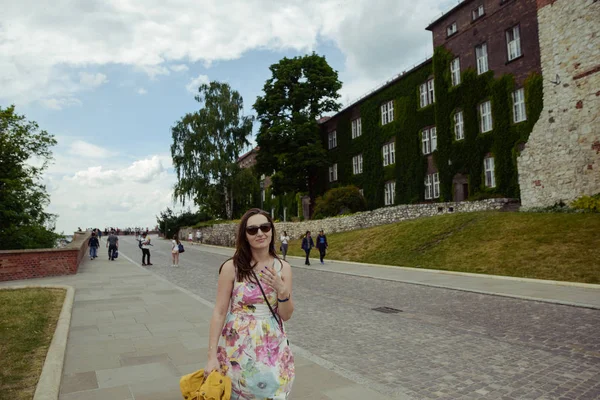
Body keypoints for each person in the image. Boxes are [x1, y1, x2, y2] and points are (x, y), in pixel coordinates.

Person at [204, 208, 294, 399]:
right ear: (245, 236)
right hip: (238, 345)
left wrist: (282, 289)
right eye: (252, 230)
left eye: (265, 227)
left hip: (273, 345)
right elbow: (219, 312)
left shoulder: (283, 268)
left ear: (271, 230)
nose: (260, 233)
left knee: (274, 392)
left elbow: (286, 314)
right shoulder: (232, 267)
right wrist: (211, 357)